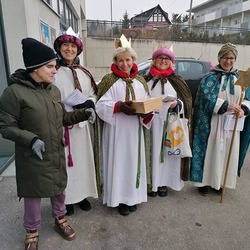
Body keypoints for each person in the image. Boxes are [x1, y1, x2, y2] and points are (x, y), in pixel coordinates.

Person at [0, 38, 96, 250]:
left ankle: (60, 219)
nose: (55, 70)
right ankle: (32, 232)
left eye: (54, 66)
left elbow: (61, 117)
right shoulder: (14, 93)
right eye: (50, 66)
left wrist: (83, 113)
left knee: (59, 189)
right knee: (33, 194)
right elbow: (5, 127)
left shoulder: (53, 91)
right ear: (35, 68)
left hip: (56, 150)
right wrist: (30, 139)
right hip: (32, 155)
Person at [95, 36, 153, 216]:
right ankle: (119, 199)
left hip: (134, 131)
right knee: (119, 162)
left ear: (133, 61)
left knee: (133, 162)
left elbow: (147, 102)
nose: (124, 64)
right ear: (115, 62)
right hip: (116, 131)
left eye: (128, 60)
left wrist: (147, 111)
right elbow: (99, 105)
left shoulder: (141, 82)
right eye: (120, 60)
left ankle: (133, 197)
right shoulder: (108, 80)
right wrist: (118, 106)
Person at [190, 43, 250, 196]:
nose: (228, 61)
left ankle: (221, 182)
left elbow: (247, 97)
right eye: (225, 57)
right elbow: (204, 98)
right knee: (211, 152)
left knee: (226, 154)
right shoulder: (210, 77)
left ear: (235, 59)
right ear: (219, 58)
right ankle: (204, 182)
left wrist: (243, 109)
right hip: (213, 123)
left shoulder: (241, 78)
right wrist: (226, 106)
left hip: (232, 125)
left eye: (231, 58)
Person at [53, 27, 99, 216]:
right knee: (66, 163)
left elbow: (93, 94)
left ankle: (82, 196)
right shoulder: (52, 71)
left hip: (82, 127)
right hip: (64, 124)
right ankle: (68, 199)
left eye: (73, 46)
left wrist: (90, 103)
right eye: (65, 45)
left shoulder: (85, 72)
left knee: (82, 161)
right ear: (59, 48)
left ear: (78, 49)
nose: (69, 49)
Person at [143, 45, 192, 197]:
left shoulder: (177, 80)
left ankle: (164, 183)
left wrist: (177, 104)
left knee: (166, 155)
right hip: (150, 123)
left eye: (167, 58)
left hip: (169, 124)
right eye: (160, 58)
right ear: (154, 61)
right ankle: (151, 183)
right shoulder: (145, 80)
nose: (163, 61)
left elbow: (188, 102)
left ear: (171, 62)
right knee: (150, 153)